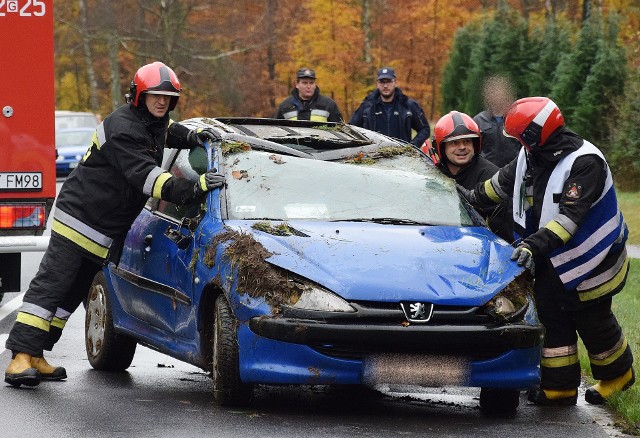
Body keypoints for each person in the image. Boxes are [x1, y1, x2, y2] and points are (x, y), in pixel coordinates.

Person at [4, 61, 226, 387]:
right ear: (139, 96)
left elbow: (169, 131)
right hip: (80, 219)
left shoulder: (152, 122)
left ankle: (36, 354)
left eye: (167, 97)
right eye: (155, 96)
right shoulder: (124, 127)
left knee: (71, 294)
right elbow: (148, 179)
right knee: (52, 286)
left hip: (102, 228)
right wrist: (195, 188)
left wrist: (195, 135)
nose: (162, 102)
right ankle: (20, 358)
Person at [462, 97, 634, 406]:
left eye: (519, 138)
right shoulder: (532, 155)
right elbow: (499, 185)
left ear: (534, 135)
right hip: (552, 258)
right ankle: (560, 388)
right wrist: (467, 199)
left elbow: (569, 219)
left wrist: (531, 246)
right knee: (552, 318)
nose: (518, 145)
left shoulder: (585, 162)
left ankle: (618, 375)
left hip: (591, 259)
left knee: (593, 320)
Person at [425, 111, 512, 242]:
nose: (462, 147)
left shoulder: (491, 175)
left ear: (475, 144)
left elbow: (502, 231)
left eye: (467, 141)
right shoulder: (434, 174)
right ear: (441, 147)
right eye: (454, 143)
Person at [349, 67, 430, 147]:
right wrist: (361, 147)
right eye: (382, 82)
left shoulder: (408, 105)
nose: (385, 86)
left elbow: (424, 129)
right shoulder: (367, 106)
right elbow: (350, 129)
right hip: (373, 157)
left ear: (395, 83)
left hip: (402, 157)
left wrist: (412, 146)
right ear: (377, 84)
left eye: (389, 82)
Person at [473, 75, 521, 167]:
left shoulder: (516, 119)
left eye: (500, 93)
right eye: (493, 93)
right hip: (487, 172)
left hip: (513, 172)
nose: (497, 97)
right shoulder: (478, 120)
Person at [275, 68, 343, 122]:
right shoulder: (285, 106)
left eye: (311, 83)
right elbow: (276, 130)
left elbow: (339, 130)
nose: (308, 86)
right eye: (304, 83)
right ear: (297, 84)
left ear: (315, 85)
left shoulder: (328, 104)